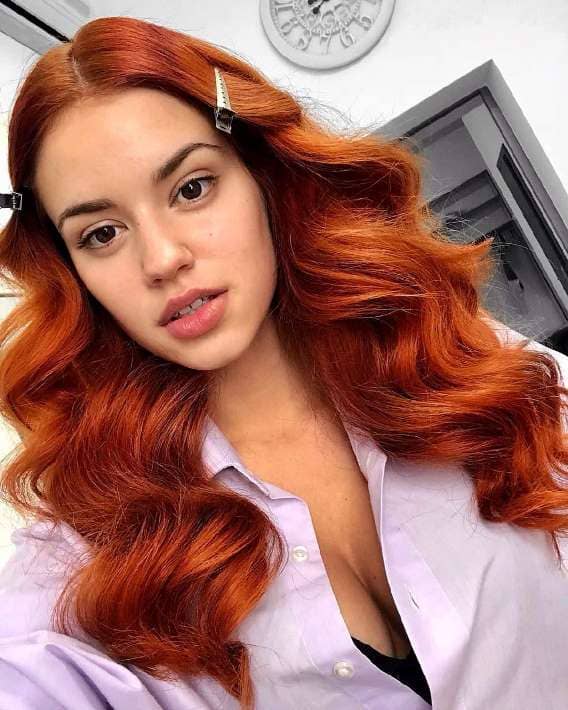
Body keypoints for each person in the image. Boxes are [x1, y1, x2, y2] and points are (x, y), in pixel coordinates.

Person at [0, 15, 567, 710]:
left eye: (191, 188)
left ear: (260, 175)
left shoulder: (451, 360)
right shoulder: (89, 544)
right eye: (102, 233)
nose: (162, 258)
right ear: (72, 271)